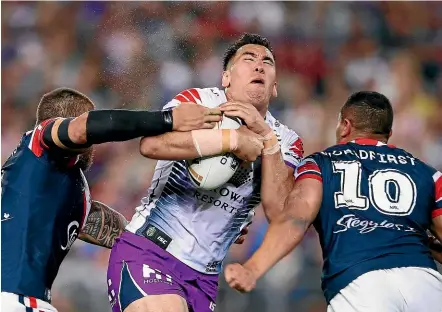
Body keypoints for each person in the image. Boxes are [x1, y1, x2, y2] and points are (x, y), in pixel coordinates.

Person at [106, 33, 304, 312]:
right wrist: (231, 140)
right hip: (151, 250)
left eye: (267, 62)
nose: (259, 66)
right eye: (248, 59)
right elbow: (152, 144)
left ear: (274, 88)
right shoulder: (198, 102)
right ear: (226, 77)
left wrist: (267, 140)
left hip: (205, 278)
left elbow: (278, 212)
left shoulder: (286, 140)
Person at [1, 86, 226, 312]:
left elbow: (129, 236)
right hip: (14, 300)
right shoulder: (39, 143)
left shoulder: (50, 187)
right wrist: (168, 119)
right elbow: (82, 129)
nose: (95, 144)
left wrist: (206, 221)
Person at [224, 91, 442, 312]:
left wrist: (252, 268)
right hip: (425, 284)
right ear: (389, 133)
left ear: (345, 125)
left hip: (361, 283)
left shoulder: (321, 163)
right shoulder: (427, 174)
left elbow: (296, 218)